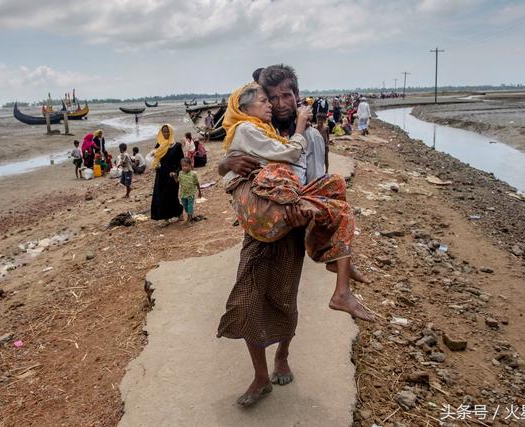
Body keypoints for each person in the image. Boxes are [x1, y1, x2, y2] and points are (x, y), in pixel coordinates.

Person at [217, 65, 371, 408]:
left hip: (292, 228)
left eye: (288, 94)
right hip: (258, 230)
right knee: (248, 299)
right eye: (273, 96)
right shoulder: (258, 127)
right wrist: (229, 165)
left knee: (284, 300)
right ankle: (259, 376)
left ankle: (282, 355)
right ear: (264, 101)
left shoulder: (311, 137)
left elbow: (317, 180)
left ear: (297, 96)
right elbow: (224, 163)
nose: (280, 102)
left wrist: (305, 215)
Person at [150, 124, 184, 222]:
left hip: (172, 175)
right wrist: (155, 164)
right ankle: (166, 219)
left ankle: (179, 213)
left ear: (171, 132)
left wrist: (176, 172)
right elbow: (155, 157)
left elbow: (180, 161)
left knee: (172, 195)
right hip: (161, 175)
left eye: (167, 131)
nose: (166, 133)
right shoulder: (159, 144)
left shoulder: (176, 146)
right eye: (164, 131)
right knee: (161, 196)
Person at [172, 158, 202, 222]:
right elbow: (178, 181)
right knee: (185, 206)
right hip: (183, 193)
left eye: (186, 166)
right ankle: (191, 215)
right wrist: (175, 176)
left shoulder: (193, 174)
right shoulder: (180, 173)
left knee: (190, 206)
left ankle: (189, 219)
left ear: (190, 165)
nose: (184, 167)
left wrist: (199, 191)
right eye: (182, 166)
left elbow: (197, 183)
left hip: (191, 193)